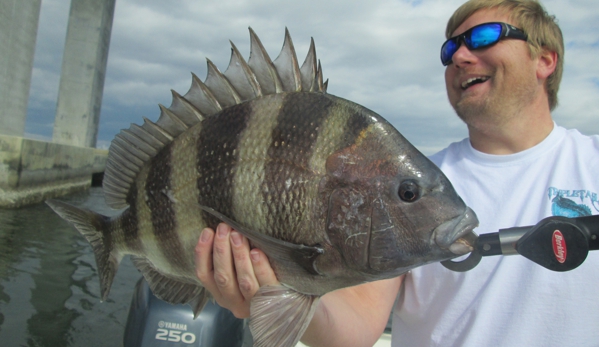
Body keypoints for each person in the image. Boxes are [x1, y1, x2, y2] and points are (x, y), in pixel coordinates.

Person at [194, 0, 599, 346]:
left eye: (483, 37)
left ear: (545, 59)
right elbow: (353, 327)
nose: (459, 56)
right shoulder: (405, 185)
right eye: (449, 49)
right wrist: (271, 290)